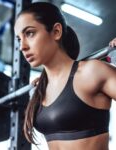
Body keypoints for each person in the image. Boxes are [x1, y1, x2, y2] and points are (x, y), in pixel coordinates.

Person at [14, 2, 116, 150]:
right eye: (19, 39)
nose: (22, 46)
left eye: (30, 33)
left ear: (56, 31)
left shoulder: (92, 72)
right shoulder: (40, 88)